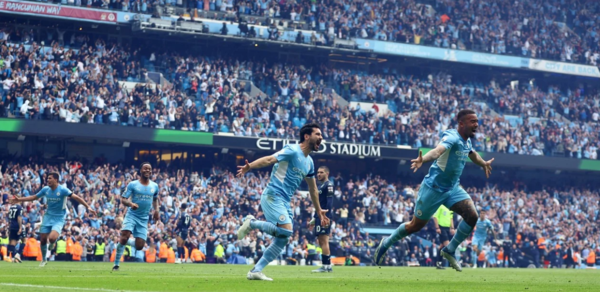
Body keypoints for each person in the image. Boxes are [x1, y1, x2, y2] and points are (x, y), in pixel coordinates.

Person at [374, 109, 494, 272]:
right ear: (461, 124)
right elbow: (438, 151)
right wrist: (424, 159)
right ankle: (385, 244)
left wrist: (483, 164)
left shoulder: (467, 141)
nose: (476, 124)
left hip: (452, 188)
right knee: (414, 226)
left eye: (477, 121)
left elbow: (472, 154)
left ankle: (449, 250)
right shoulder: (452, 137)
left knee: (472, 216)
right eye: (472, 121)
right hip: (433, 189)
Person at [236, 123, 330, 281]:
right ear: (307, 136)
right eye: (318, 134)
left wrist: (319, 210)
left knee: (284, 237)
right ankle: (251, 223)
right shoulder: (292, 150)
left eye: (321, 135)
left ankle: (255, 271)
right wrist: (249, 167)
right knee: (286, 231)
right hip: (273, 194)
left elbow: (313, 189)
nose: (321, 137)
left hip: (285, 201)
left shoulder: (310, 163)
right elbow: (270, 159)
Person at [10, 172, 96, 267]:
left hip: (59, 217)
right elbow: (34, 197)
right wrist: (20, 200)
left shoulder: (63, 190)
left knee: (51, 238)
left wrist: (88, 207)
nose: (47, 180)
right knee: (43, 239)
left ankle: (52, 243)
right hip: (47, 216)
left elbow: (76, 197)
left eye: (50, 178)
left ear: (56, 179)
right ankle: (43, 260)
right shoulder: (46, 189)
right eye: (47, 179)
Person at [112, 162, 160, 272]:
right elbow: (123, 199)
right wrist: (130, 204)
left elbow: (155, 199)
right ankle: (116, 264)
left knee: (139, 246)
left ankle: (124, 242)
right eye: (145, 169)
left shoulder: (154, 186)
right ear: (140, 170)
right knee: (125, 236)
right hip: (132, 215)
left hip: (144, 218)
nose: (148, 171)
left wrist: (157, 211)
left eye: (150, 169)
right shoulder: (133, 184)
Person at [311, 166, 334, 273]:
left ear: (327, 174)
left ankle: (325, 266)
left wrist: (325, 215)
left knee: (324, 241)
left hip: (324, 216)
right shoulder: (321, 185)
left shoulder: (328, 185)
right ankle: (327, 266)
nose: (318, 174)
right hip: (319, 215)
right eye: (318, 172)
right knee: (321, 241)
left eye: (321, 172)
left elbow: (329, 202)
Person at [432, 204, 454, 269]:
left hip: (448, 229)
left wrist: (452, 228)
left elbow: (451, 218)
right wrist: (437, 227)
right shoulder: (440, 206)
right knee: (448, 245)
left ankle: (438, 263)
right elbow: (435, 216)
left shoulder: (450, 207)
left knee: (441, 247)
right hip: (441, 228)